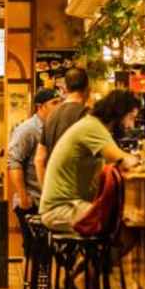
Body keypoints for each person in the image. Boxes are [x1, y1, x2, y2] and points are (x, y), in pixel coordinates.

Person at [38, 89, 142, 234]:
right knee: (124, 225)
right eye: (131, 118)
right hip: (61, 209)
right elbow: (123, 160)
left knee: (123, 220)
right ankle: (104, 257)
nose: (131, 126)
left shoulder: (93, 125)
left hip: (68, 206)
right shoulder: (93, 127)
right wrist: (142, 160)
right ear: (119, 114)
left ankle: (100, 257)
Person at [31, 67, 91, 196]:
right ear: (88, 89)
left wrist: (46, 192)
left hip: (56, 196)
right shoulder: (86, 115)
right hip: (78, 196)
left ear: (65, 89)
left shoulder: (51, 116)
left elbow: (39, 159)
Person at [5, 88, 62, 213]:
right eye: (54, 103)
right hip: (33, 201)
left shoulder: (56, 127)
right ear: (40, 107)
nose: (59, 106)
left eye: (60, 102)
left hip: (51, 201)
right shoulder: (28, 129)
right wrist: (23, 196)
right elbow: (14, 162)